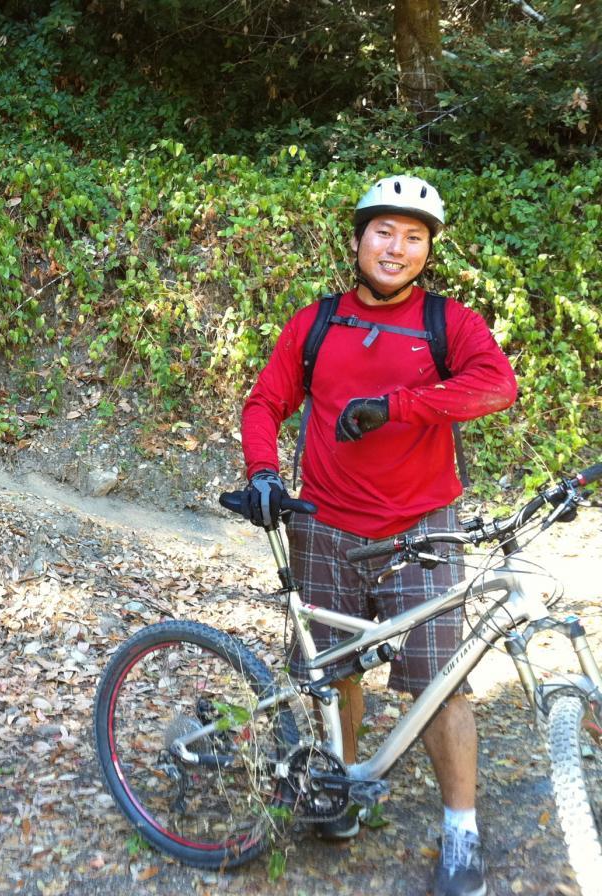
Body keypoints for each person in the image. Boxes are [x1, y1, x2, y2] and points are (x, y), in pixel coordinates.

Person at [236, 174, 517, 896]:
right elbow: (266, 400)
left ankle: (461, 832)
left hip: (423, 528)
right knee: (338, 672)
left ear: (427, 251)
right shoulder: (317, 323)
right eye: (383, 231)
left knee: (441, 682)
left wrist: (397, 407)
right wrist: (264, 471)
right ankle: (341, 790)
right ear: (357, 238)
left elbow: (496, 386)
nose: (396, 247)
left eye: (414, 237)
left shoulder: (446, 323)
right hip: (326, 523)